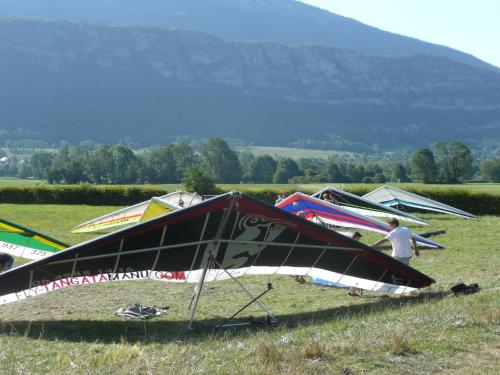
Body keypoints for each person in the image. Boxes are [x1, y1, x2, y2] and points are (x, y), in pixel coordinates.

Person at [348, 232, 363, 296]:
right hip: (354, 263)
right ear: (356, 237)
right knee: (356, 278)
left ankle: (350, 291)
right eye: (359, 237)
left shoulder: (350, 242)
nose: (359, 239)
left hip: (351, 263)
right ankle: (353, 293)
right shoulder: (355, 244)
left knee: (352, 277)